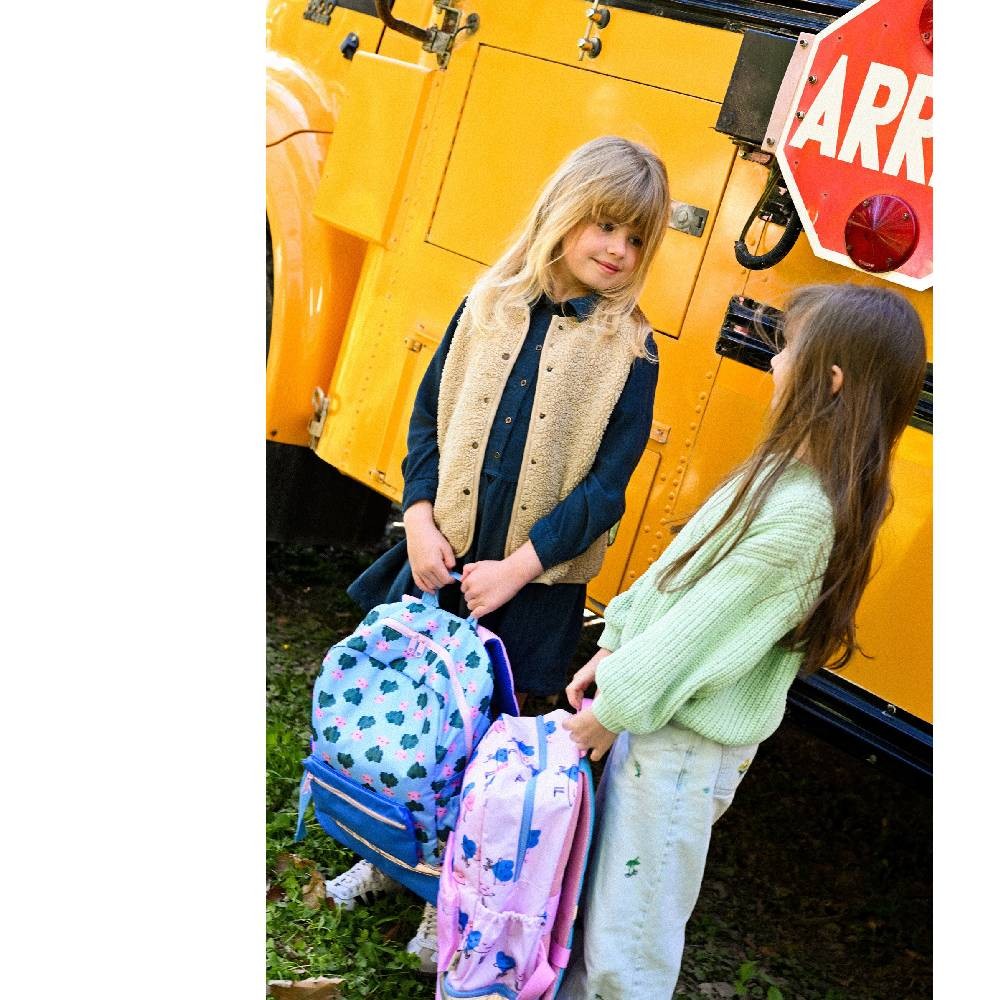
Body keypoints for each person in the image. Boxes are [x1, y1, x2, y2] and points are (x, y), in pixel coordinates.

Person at [323, 136, 672, 959]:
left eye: (636, 240)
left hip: (528, 591)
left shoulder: (632, 351)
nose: (619, 251)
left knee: (485, 745)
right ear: (564, 214)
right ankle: (384, 856)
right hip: (439, 565)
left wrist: (522, 567)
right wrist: (416, 517)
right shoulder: (488, 303)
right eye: (606, 227)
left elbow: (604, 490)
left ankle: (441, 892)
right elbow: (428, 417)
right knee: (416, 726)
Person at [557, 282, 928, 999]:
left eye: (787, 348)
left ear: (830, 379)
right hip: (656, 727)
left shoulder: (804, 515)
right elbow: (678, 575)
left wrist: (612, 707)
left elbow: (698, 632)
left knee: (625, 946)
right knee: (599, 914)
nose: (772, 361)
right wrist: (616, 643)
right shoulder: (785, 474)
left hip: (681, 751)